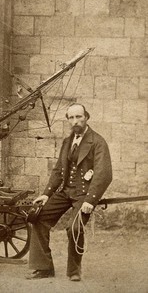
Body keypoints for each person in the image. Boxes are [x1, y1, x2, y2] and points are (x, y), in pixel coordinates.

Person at [26, 103, 112, 282]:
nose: (75, 121)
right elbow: (58, 170)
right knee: (39, 218)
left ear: (86, 117)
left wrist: (90, 200)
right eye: (71, 118)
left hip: (84, 195)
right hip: (65, 192)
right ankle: (44, 268)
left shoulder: (97, 142)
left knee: (74, 227)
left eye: (79, 117)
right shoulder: (67, 141)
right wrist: (47, 194)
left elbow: (104, 174)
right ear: (68, 120)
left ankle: (74, 270)